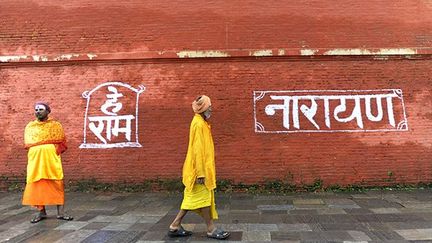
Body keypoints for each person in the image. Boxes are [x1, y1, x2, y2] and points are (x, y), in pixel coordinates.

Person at [168, 95, 230, 240]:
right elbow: (197, 150)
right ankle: (210, 229)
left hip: (199, 170)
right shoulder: (198, 124)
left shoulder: (201, 122)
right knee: (203, 199)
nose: (211, 108)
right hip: (198, 171)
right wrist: (201, 173)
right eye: (209, 106)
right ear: (203, 108)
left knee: (194, 199)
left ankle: (175, 226)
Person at [22, 102, 73, 223]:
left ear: (48, 111)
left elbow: (62, 143)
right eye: (36, 109)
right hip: (36, 163)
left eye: (41, 109)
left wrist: (53, 151)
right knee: (37, 186)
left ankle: (61, 213)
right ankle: (41, 212)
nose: (38, 111)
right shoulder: (30, 126)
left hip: (51, 161)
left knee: (57, 184)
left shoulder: (56, 125)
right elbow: (28, 144)